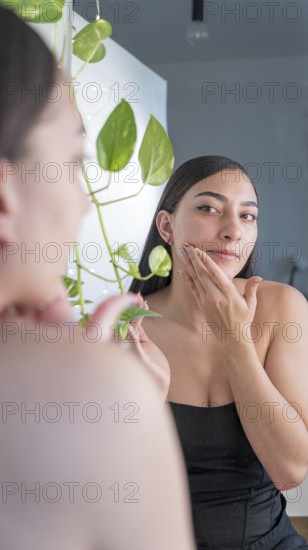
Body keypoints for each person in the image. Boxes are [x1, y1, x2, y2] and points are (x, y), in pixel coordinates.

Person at [0, 6, 197, 549]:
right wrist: (111, 396)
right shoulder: (95, 393)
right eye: (72, 161)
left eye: (249, 215)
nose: (84, 203)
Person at [129, 156, 308, 548]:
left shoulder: (283, 308)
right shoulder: (129, 325)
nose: (232, 231)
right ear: (166, 227)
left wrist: (235, 340)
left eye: (247, 216)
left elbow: (290, 470)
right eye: (209, 208)